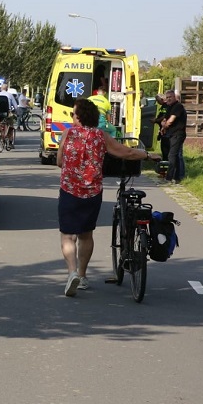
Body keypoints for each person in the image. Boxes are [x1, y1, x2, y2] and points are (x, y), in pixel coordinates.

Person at [56, 98, 159, 296]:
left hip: (69, 190)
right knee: (86, 235)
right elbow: (126, 152)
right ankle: (82, 276)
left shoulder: (68, 134)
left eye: (73, 114)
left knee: (68, 235)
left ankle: (72, 273)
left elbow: (60, 162)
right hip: (92, 192)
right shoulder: (101, 136)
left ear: (79, 117)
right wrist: (147, 155)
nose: (72, 117)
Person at [160, 90, 186, 184]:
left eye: (170, 97)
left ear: (174, 97)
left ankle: (169, 178)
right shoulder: (170, 107)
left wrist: (164, 126)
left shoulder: (178, 106)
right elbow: (164, 120)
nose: (168, 99)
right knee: (175, 156)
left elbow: (170, 121)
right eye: (167, 97)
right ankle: (177, 177)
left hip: (178, 134)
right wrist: (163, 125)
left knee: (172, 155)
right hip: (171, 134)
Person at [0, 83, 19, 148]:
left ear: (1, 89)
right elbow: (15, 106)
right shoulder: (10, 95)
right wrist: (16, 112)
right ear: (7, 89)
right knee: (11, 126)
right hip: (7, 113)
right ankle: (10, 142)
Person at [153, 93, 170, 161]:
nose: (157, 102)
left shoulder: (166, 106)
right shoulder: (163, 106)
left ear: (162, 99)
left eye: (158, 100)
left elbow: (164, 116)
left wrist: (156, 120)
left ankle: (166, 161)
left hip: (166, 130)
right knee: (163, 147)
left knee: (165, 148)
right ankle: (165, 160)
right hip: (163, 130)